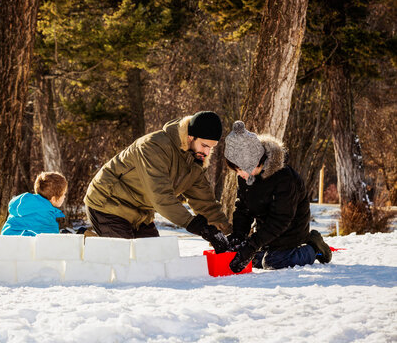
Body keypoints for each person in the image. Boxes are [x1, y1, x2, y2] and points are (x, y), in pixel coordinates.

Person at [84, 111, 231, 253]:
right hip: (108, 203)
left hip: (141, 213)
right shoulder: (153, 147)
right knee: (126, 261)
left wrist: (229, 235)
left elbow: (206, 204)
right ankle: (91, 243)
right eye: (204, 145)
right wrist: (195, 225)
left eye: (211, 148)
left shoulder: (195, 162)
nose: (206, 153)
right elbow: (161, 197)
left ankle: (100, 239)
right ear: (190, 137)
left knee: (153, 260)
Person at [223, 121, 332, 272]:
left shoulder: (285, 178)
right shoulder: (245, 177)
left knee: (274, 262)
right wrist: (239, 236)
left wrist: (252, 244)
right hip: (266, 231)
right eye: (236, 169)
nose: (239, 174)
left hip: (290, 229)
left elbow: (281, 219)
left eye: (241, 168)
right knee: (250, 259)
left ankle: (314, 247)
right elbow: (243, 208)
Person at [1, 172, 67, 236]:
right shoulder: (46, 215)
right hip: (21, 245)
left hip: (4, 241)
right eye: (63, 194)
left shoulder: (23, 204)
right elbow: (51, 239)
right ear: (54, 199)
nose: (64, 197)